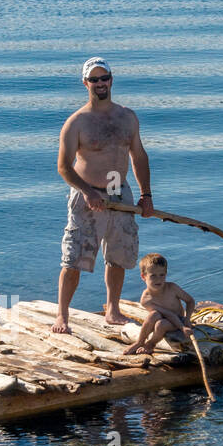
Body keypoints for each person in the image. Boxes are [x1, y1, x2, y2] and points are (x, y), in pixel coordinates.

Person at [52, 57, 155, 333]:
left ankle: (113, 309)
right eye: (94, 79)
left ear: (111, 79)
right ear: (85, 83)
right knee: (74, 257)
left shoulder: (127, 117)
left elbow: (139, 156)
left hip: (119, 193)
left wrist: (146, 195)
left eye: (104, 78)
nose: (100, 83)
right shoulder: (76, 122)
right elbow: (63, 167)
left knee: (119, 255)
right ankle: (62, 315)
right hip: (87, 196)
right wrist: (86, 192)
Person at [124, 252, 195, 355]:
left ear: (166, 274)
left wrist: (187, 321)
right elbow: (166, 314)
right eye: (153, 276)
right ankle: (139, 342)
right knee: (154, 315)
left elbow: (190, 301)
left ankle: (151, 343)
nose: (158, 279)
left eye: (162, 275)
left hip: (178, 319)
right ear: (143, 276)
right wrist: (182, 327)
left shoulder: (172, 288)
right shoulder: (146, 299)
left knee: (160, 325)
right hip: (165, 317)